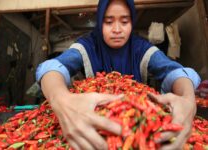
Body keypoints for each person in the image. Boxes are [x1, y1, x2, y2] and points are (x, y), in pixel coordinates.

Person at [36, 0, 201, 149]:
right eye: (108, 22)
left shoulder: (140, 48)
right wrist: (61, 99)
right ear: (99, 22)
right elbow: (52, 68)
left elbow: (174, 71)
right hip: (91, 121)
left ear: (132, 22)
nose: (117, 29)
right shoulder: (88, 46)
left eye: (124, 21)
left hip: (137, 121)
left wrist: (188, 98)